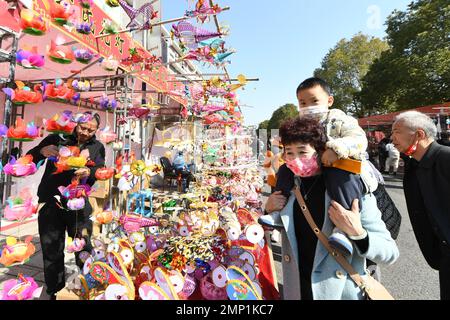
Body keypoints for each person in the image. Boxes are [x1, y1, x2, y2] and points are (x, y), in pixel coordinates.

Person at [260, 117, 398, 300]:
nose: (295, 159)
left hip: (340, 293)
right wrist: (267, 210)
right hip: (298, 290)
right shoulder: (289, 188)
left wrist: (358, 233)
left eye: (303, 152)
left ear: (320, 151)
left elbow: (390, 253)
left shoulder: (348, 187)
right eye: (289, 152)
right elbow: (265, 232)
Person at [26, 112, 105, 300]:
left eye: (90, 130)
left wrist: (89, 171)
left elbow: (100, 170)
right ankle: (54, 289)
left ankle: (88, 284)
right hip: (51, 202)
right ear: (76, 124)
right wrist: (41, 152)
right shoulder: (57, 137)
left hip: (78, 204)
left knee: (83, 246)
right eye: (82, 128)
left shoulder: (97, 146)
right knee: (51, 248)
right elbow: (30, 159)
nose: (85, 132)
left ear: (96, 130)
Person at [391, 111, 450, 300]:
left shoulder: (445, 158)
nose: (392, 139)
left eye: (397, 132)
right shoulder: (414, 166)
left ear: (419, 134)